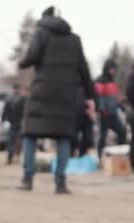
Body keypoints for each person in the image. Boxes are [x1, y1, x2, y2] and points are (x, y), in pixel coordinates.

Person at [17, 6, 96, 194]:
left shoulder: (41, 33)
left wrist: (22, 62)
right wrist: (91, 97)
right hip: (66, 95)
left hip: (42, 92)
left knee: (30, 135)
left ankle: (28, 179)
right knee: (64, 137)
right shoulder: (75, 39)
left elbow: (31, 58)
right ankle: (60, 182)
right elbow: (84, 70)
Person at [95, 59, 127, 159]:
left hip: (113, 113)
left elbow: (115, 97)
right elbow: (98, 97)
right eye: (112, 69)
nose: (114, 71)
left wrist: (121, 106)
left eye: (114, 69)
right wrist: (102, 110)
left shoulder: (112, 81)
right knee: (102, 136)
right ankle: (100, 157)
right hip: (104, 114)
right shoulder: (100, 81)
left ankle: (119, 153)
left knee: (122, 131)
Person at [2, 84, 28, 164]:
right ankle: (18, 158)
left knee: (12, 142)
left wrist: (4, 120)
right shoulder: (23, 99)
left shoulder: (9, 99)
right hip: (19, 123)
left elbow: (5, 112)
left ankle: (11, 157)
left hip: (14, 123)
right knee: (19, 142)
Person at [72, 87, 95, 157]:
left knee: (88, 138)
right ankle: (73, 155)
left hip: (86, 117)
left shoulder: (88, 85)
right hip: (74, 116)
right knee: (72, 139)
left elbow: (94, 97)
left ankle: (82, 155)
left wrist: (93, 110)